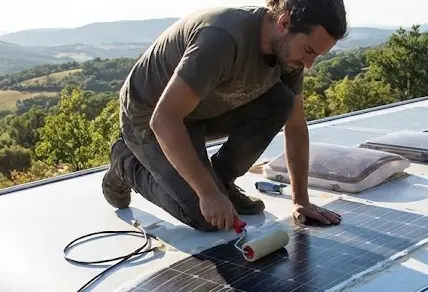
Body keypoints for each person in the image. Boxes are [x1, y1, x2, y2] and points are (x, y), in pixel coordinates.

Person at [101, 0, 347, 231]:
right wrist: (207, 192)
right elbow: (164, 119)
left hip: (203, 110)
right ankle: (125, 163)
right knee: (205, 217)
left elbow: (295, 126)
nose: (309, 63)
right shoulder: (222, 37)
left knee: (281, 101)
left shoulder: (288, 54)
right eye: (308, 50)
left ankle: (222, 181)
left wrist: (300, 200)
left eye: (316, 55)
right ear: (284, 22)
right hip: (150, 116)